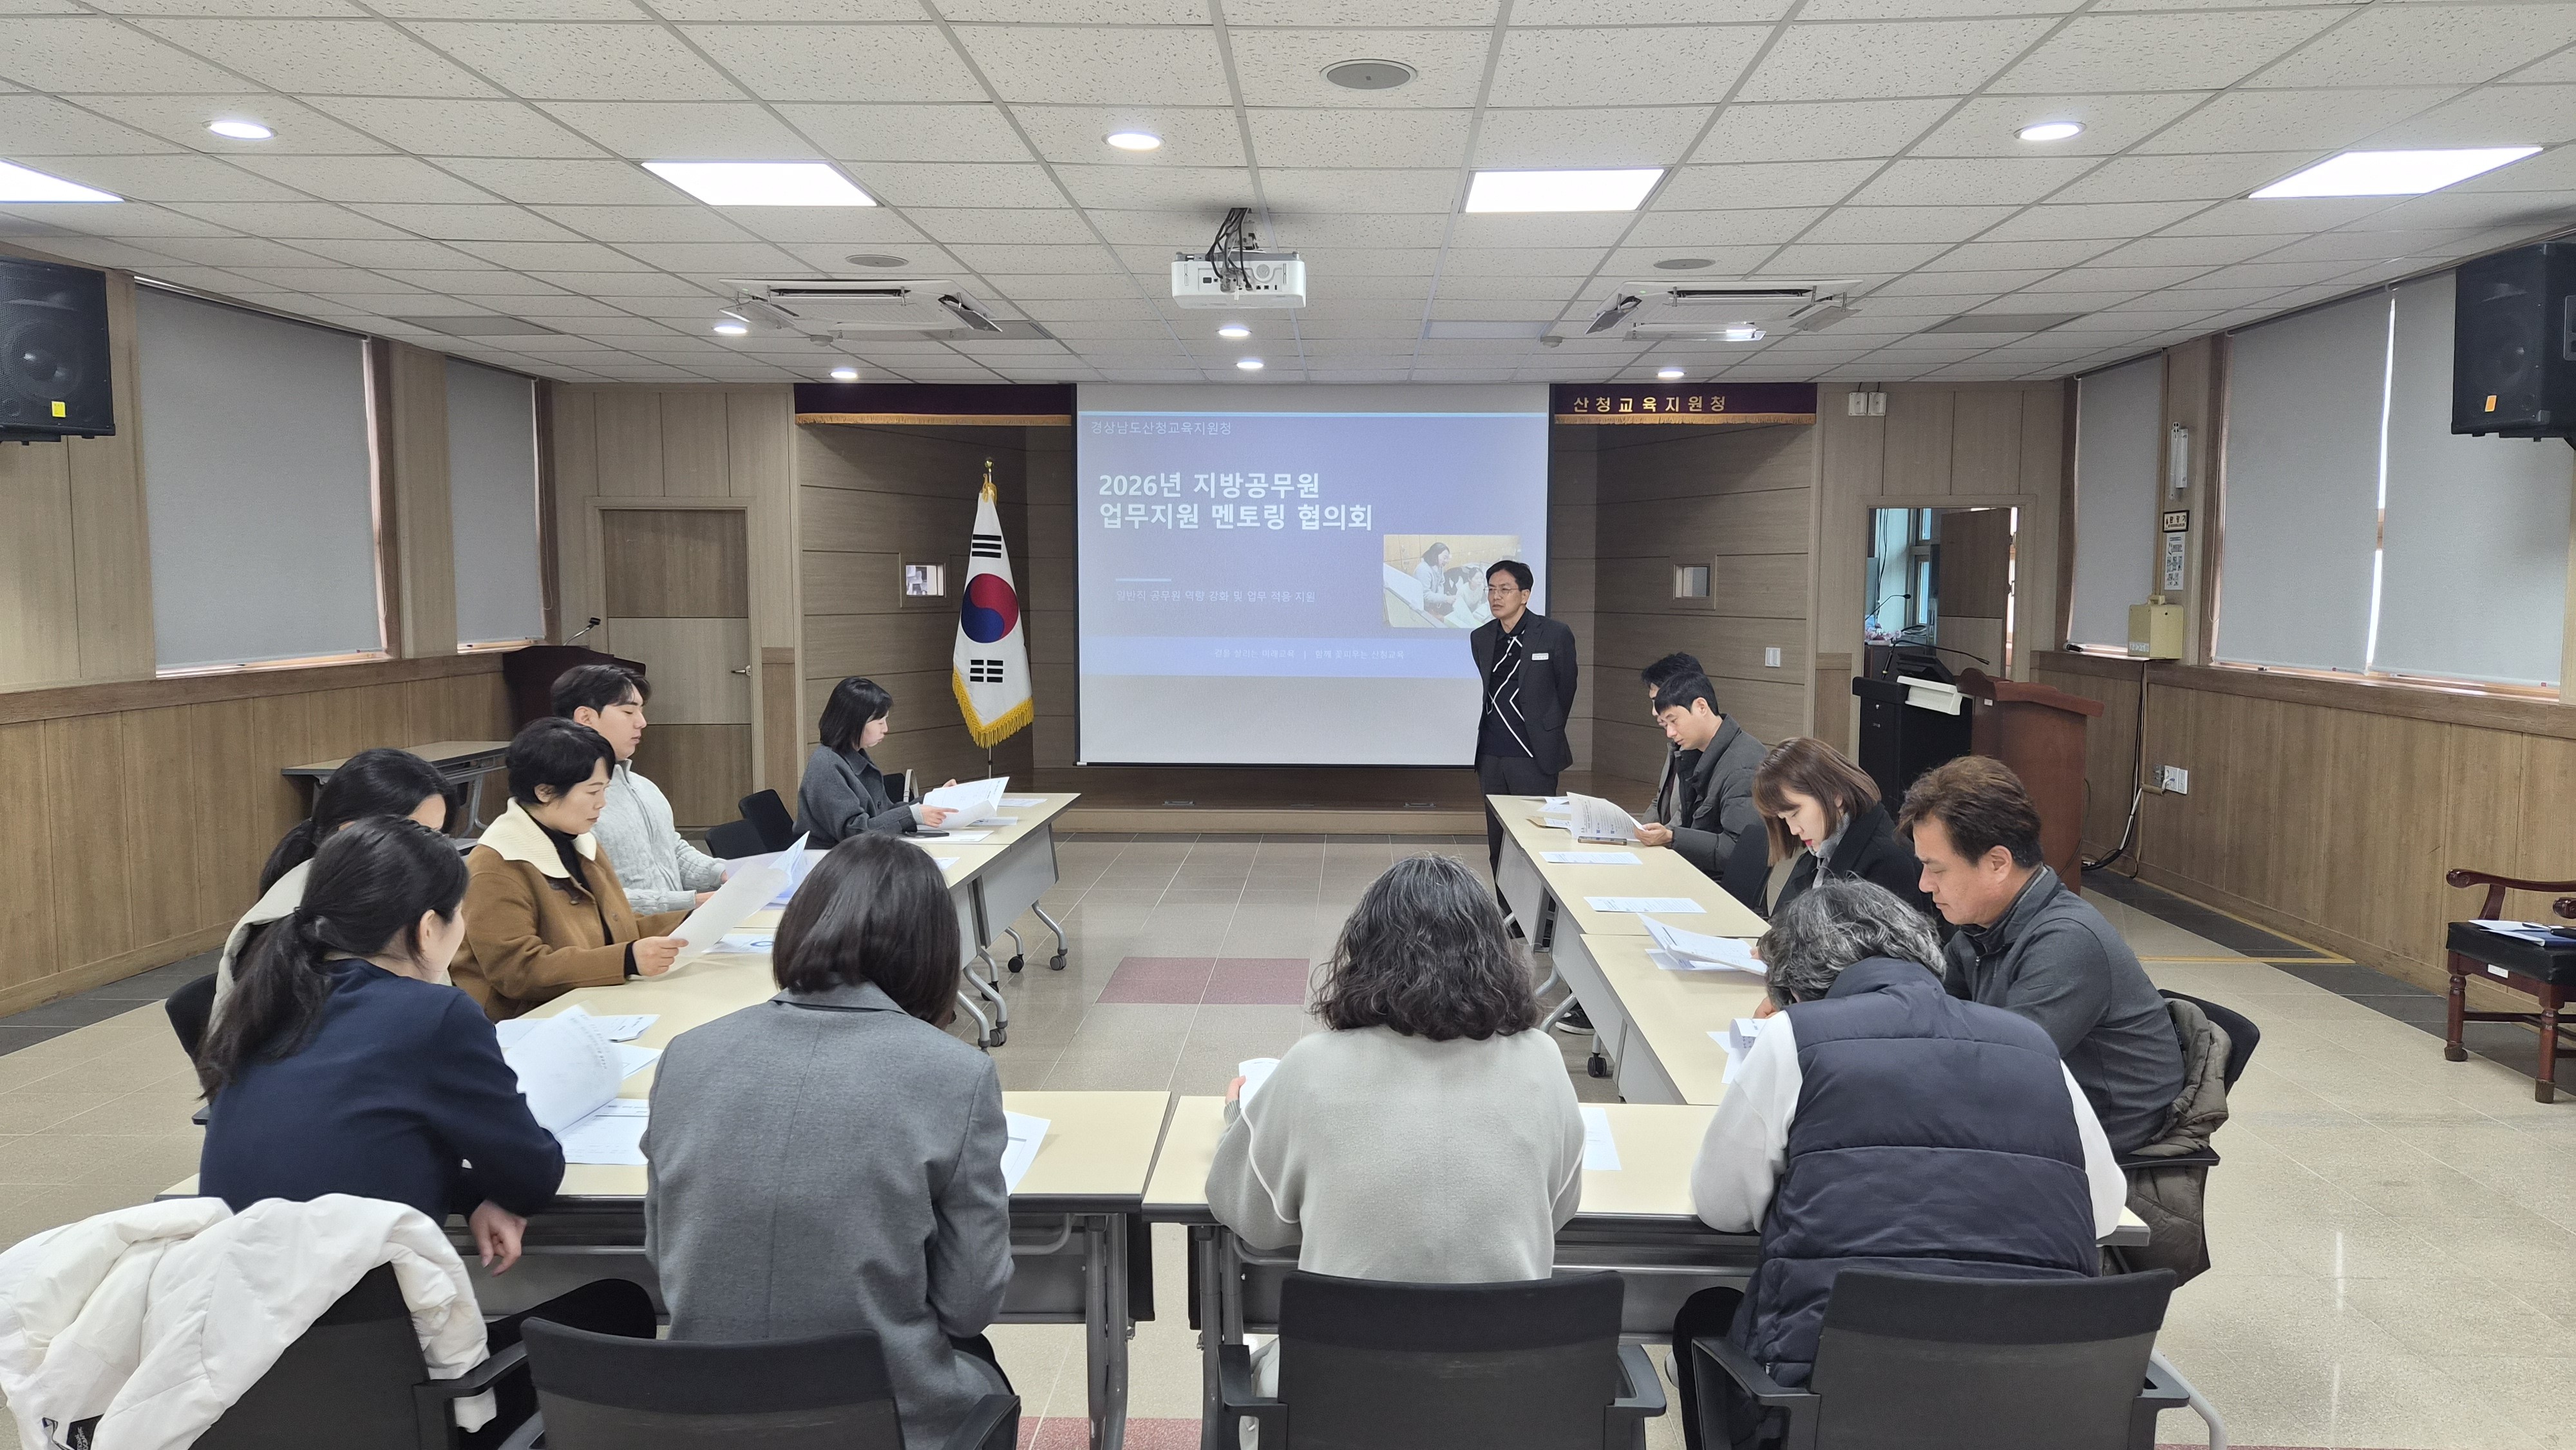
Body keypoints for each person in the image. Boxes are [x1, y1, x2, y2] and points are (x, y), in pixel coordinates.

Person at [194, 817, 656, 1444]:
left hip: (256, 1381)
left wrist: (472, 1193)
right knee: (620, 1304)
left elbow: (352, 1149)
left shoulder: (264, 1004)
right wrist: (503, 1192)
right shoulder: (432, 1014)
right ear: (427, 928)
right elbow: (532, 1170)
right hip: (404, 1397)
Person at [1673, 880, 2124, 1449]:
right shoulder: (2032, 1043)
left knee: (1707, 1314)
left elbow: (1721, 1207)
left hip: (1833, 1411)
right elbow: (2103, 1213)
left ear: (1796, 989)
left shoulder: (1798, 1035)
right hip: (2034, 1403)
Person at [645, 833, 1013, 1450]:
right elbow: (968, 1305)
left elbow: (665, 1257)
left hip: (707, 1417)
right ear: (932, 951)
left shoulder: (686, 1056)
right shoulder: (957, 1076)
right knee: (981, 1371)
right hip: (884, 1419)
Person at [1206, 853, 1585, 1399]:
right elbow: (1559, 1210)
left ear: (1365, 956)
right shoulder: (1544, 1061)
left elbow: (1252, 1220)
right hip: (1501, 1405)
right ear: (1494, 957)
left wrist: (1237, 1119)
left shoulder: (1313, 1065)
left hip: (1336, 1405)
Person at [1897, 755, 2186, 1154]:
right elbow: (1923, 1009)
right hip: (2036, 1117)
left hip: (2101, 1150)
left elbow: (2001, 1075)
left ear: (1998, 863)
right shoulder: (1985, 926)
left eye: (1936, 869)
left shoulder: (2066, 943)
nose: (1925, 884)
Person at [448, 719, 688, 1021]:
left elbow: (616, 927)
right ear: (545, 792)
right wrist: (627, 960)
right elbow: (517, 971)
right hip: (531, 1024)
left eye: (605, 790)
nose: (602, 804)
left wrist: (692, 923)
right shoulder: (497, 863)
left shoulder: (578, 840)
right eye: (592, 792)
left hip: (593, 1004)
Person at [214, 748, 452, 1017]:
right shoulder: (295, 921)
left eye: (438, 836)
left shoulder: (385, 894)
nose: (433, 853)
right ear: (352, 834)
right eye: (417, 835)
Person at [553, 663, 724, 914]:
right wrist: (689, 903)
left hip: (676, 929)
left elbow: (671, 850)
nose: (642, 722)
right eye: (628, 712)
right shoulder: (566, 801)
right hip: (625, 942)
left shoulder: (644, 786)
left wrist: (722, 873)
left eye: (641, 711)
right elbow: (588, 896)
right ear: (586, 718)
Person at [1721, 737, 1931, 921]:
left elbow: (1879, 958)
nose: (1793, 829)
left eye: (1794, 814)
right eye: (1784, 819)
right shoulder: (1823, 848)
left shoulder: (1887, 861)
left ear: (1835, 795)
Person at [1470, 560, 1579, 872]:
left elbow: (1566, 689)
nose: (1496, 597)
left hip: (1534, 753)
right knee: (1498, 845)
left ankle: (1536, 920)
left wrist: (1546, 729)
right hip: (1492, 754)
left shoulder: (1554, 634)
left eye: (1505, 589)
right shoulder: (1481, 637)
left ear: (1526, 594)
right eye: (1491, 589)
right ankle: (1504, 918)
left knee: (1535, 843)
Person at [1634, 671, 1763, 887]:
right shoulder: (1696, 752)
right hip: (1694, 875)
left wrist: (1672, 837)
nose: (1670, 733)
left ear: (1701, 707)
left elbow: (1738, 850)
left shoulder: (1742, 765)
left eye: (1674, 721)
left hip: (1720, 890)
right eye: (1665, 724)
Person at [795, 677, 959, 845]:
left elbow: (883, 814)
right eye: (880, 722)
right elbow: (854, 833)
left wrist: (934, 799)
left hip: (858, 857)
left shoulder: (854, 755)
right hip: (831, 862)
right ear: (855, 723)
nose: (886, 729)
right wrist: (912, 814)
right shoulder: (827, 765)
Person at [1640, 652, 1703, 825]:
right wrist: (1637, 834)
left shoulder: (1701, 748)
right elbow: (1660, 802)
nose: (1654, 712)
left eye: (1658, 702)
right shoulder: (1678, 744)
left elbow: (1686, 818)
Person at [1414, 541, 1458, 620]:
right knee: (1441, 620)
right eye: (1445, 558)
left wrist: (1440, 601)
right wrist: (1445, 599)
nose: (1447, 561)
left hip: (1432, 603)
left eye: (1448, 558)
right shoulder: (1423, 569)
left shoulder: (1439, 566)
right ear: (1435, 555)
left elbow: (1441, 582)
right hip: (1421, 605)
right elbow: (1425, 595)